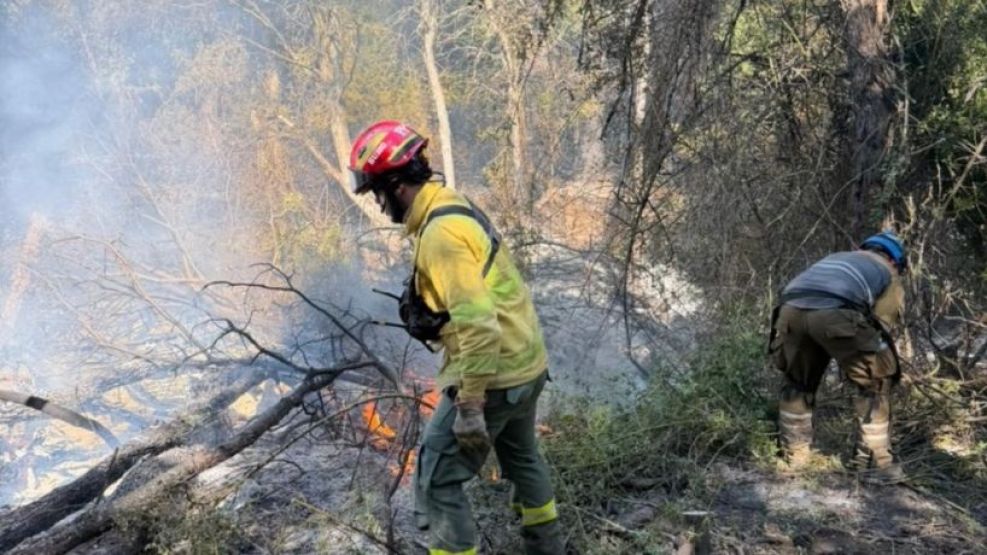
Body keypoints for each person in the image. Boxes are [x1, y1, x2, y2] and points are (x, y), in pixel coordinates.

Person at [349, 120, 565, 554]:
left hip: (494, 376)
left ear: (396, 185)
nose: (378, 204)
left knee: (436, 479)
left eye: (377, 191)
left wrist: (469, 406)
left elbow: (479, 324)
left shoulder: (440, 235)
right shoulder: (451, 205)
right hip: (526, 363)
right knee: (524, 460)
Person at [768, 231, 908, 484]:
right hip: (836, 312)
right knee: (876, 384)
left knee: (798, 382)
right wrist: (861, 363)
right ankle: (874, 465)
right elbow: (881, 324)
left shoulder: (839, 258)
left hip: (789, 311)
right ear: (895, 260)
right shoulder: (889, 273)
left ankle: (794, 457)